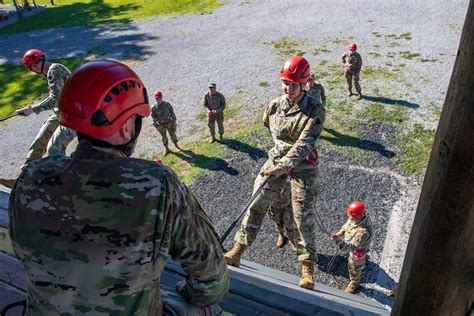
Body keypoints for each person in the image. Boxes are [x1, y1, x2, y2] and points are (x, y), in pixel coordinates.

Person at [8, 60, 229, 314]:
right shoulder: (157, 185)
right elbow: (212, 284)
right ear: (126, 128)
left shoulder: (30, 177)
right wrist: (182, 291)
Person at [224, 56, 326, 290]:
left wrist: (284, 165)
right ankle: (238, 250)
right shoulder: (274, 105)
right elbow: (269, 126)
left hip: (303, 168)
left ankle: (307, 268)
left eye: (293, 84)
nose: (288, 88)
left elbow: (305, 142)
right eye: (285, 83)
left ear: (304, 84)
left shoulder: (315, 109)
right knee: (257, 203)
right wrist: (278, 161)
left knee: (302, 217)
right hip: (276, 161)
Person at [16, 49, 76, 169]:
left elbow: (55, 99)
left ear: (34, 67)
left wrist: (32, 109)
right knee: (41, 138)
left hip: (73, 115)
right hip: (61, 112)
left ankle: (63, 179)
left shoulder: (54, 71)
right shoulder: (51, 71)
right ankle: (27, 171)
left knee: (54, 149)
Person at [332, 201, 373, 293]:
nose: (350, 217)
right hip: (354, 242)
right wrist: (340, 233)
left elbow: (349, 247)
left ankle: (354, 283)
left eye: (353, 216)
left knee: (354, 266)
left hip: (357, 250)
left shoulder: (362, 232)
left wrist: (337, 240)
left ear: (359, 216)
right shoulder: (357, 217)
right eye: (349, 215)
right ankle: (365, 259)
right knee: (362, 258)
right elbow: (347, 226)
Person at [267, 178, 299, 250]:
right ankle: (281, 235)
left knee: (289, 225)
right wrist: (268, 212)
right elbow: (266, 198)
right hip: (275, 209)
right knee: (278, 223)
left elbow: (294, 195)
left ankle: (291, 240)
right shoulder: (269, 184)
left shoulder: (288, 183)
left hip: (287, 208)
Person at [151, 90, 181, 155]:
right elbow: (153, 117)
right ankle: (166, 148)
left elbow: (172, 113)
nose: (157, 99)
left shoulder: (167, 104)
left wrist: (174, 122)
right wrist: (156, 125)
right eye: (156, 98)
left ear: (161, 97)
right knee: (163, 136)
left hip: (169, 122)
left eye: (158, 98)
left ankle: (176, 145)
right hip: (161, 124)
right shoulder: (153, 107)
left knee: (172, 134)